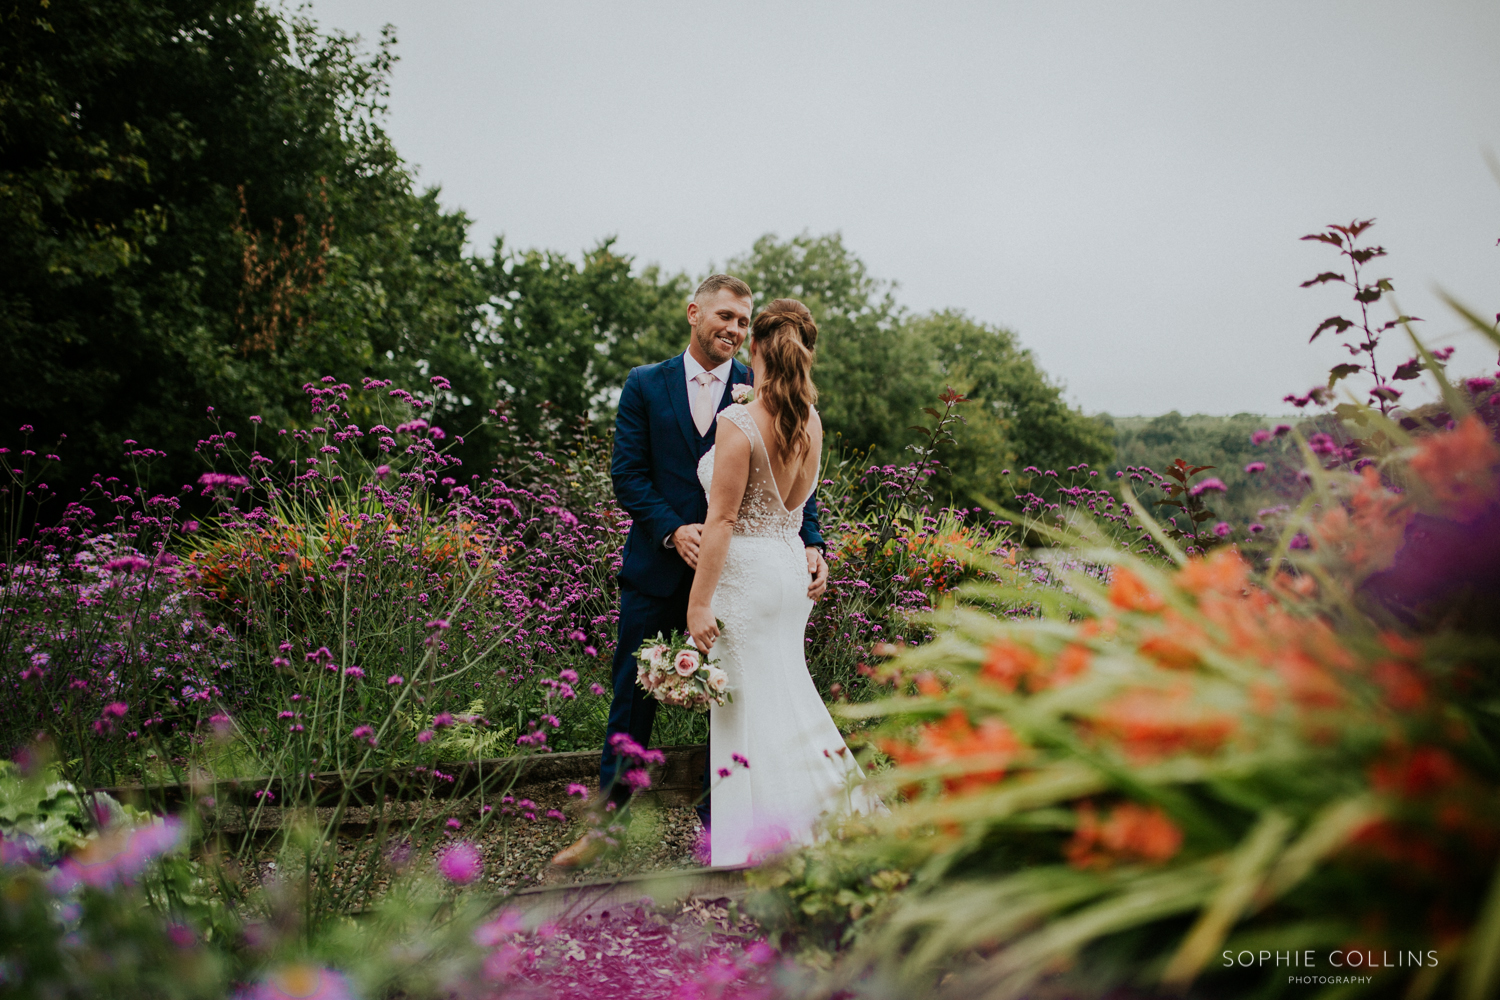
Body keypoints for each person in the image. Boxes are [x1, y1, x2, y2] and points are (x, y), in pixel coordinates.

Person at [550, 276, 828, 870]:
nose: (733, 329)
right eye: (724, 316)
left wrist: (810, 540)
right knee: (632, 700)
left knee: (734, 701)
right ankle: (604, 829)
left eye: (743, 322)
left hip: (738, 583)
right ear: (693, 312)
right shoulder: (646, 385)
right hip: (658, 569)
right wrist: (675, 530)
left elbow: (793, 479)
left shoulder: (761, 389)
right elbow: (628, 475)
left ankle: (718, 826)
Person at [686, 298, 880, 867]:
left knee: (745, 711)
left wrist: (699, 604)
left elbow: (721, 521)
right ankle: (832, 821)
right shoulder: (811, 421)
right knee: (788, 699)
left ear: (754, 353)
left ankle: (754, 847)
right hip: (790, 571)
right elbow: (794, 509)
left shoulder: (738, 421)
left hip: (744, 578)